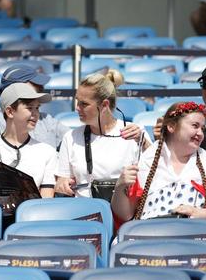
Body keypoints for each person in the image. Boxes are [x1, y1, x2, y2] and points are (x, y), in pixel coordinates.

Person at [112, 101, 206, 232]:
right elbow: (125, 215)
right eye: (195, 126)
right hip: (149, 237)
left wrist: (196, 213)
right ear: (171, 126)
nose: (200, 133)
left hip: (193, 237)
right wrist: (120, 186)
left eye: (202, 128)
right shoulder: (147, 161)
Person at [55, 70, 150, 198]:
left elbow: (156, 171)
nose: (77, 108)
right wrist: (63, 184)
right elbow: (62, 180)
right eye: (77, 101)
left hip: (124, 212)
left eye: (84, 104)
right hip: (83, 212)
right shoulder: (70, 137)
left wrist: (143, 142)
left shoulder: (135, 133)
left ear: (104, 105)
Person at [0, 82, 56, 198]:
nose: (36, 114)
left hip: (32, 214)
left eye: (37, 108)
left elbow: (46, 198)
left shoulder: (47, 151)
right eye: (30, 108)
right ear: (10, 112)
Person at [0, 64, 68, 150]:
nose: (40, 88)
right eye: (35, 84)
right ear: (14, 88)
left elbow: (72, 144)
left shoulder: (46, 119)